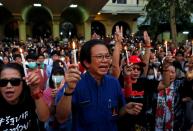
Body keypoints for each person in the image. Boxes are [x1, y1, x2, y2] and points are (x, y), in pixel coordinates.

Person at [56, 39, 143, 131]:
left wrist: (125, 109)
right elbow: (61, 118)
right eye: (100, 57)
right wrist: (69, 90)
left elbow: (115, 114)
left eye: (107, 56)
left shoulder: (114, 83)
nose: (105, 60)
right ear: (86, 62)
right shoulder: (74, 83)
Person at [0, 63, 49, 130]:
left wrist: (35, 90)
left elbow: (44, 118)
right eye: (3, 82)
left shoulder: (29, 97)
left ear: (23, 83)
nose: (9, 86)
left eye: (15, 81)